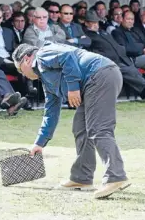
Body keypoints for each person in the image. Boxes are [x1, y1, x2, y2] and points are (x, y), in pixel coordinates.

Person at [12, 43, 131, 199]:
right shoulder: (46, 79)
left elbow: (68, 56)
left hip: (100, 75)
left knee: (98, 128)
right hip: (96, 79)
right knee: (80, 128)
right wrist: (39, 143)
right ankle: (81, 178)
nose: (22, 74)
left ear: (27, 59)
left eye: (20, 69)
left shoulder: (42, 55)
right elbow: (51, 112)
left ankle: (116, 176)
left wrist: (73, 87)